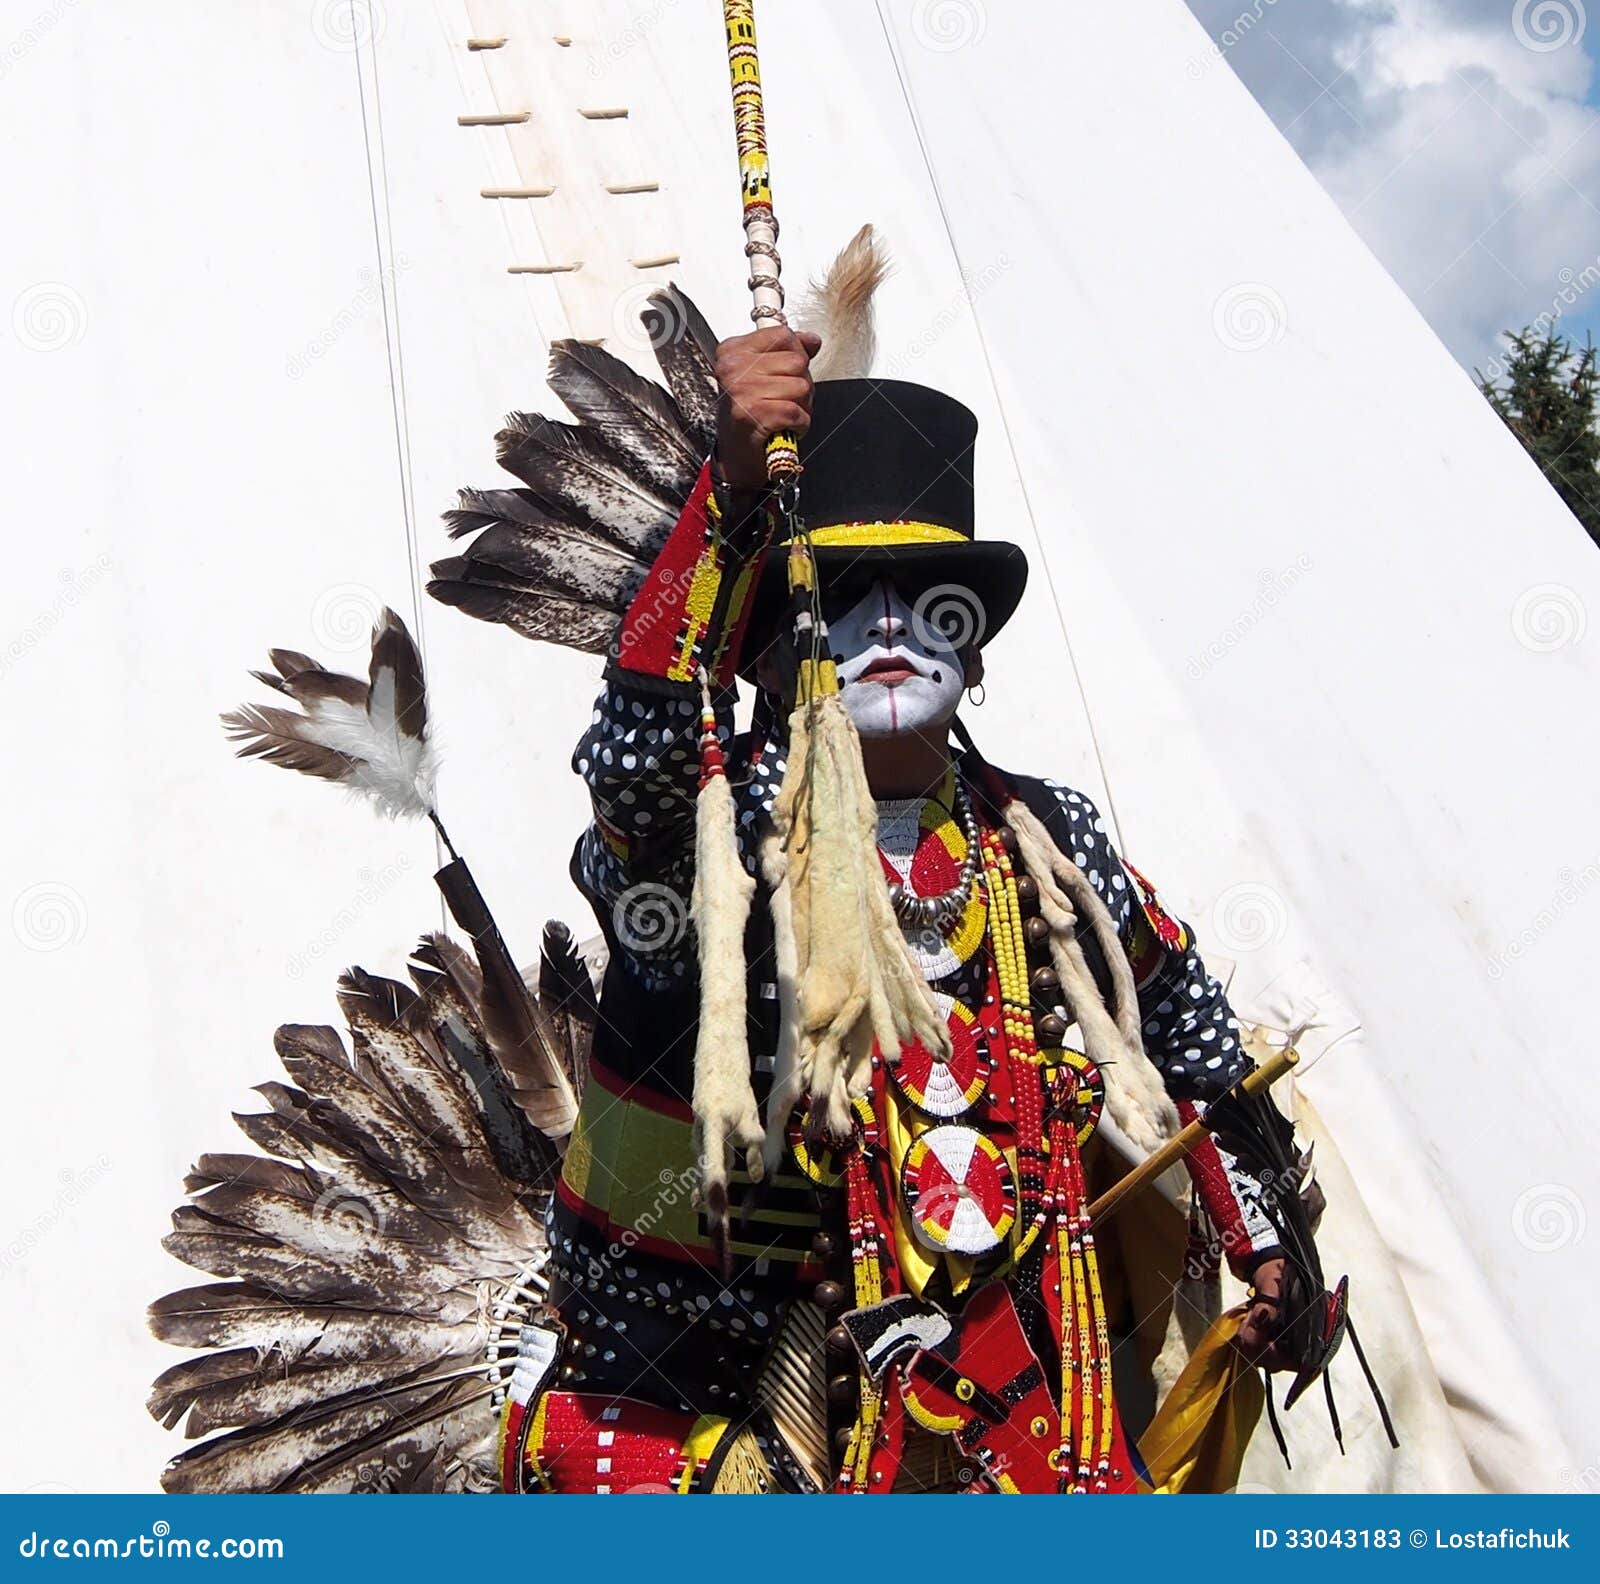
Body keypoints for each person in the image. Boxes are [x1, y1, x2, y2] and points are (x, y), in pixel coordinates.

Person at [533, 307, 1304, 1494]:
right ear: (778, 650)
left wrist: (1263, 1246)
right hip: (733, 1377)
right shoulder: (729, 824)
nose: (890, 621)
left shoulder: (1043, 840)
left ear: (976, 650)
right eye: (844, 592)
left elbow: (1193, 1045)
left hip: (1035, 1389)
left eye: (927, 594)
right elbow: (634, 774)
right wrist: (727, 493)